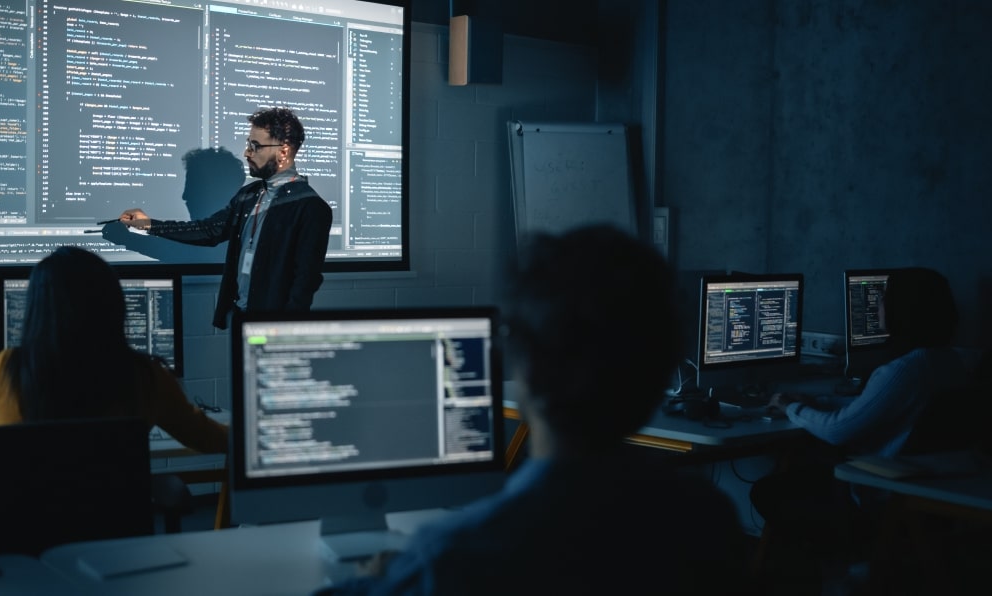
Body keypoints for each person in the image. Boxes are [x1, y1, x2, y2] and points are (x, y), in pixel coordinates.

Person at [315, 224, 752, 595]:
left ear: (527, 368)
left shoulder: (457, 556)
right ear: (661, 373)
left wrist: (380, 580)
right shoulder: (707, 519)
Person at [750, 266, 967, 587]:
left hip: (874, 493)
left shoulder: (904, 370)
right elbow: (874, 407)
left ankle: (838, 573)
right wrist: (818, 403)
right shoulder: (949, 361)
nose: (878, 306)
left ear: (901, 311)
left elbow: (838, 431)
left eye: (884, 299)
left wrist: (790, 407)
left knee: (770, 490)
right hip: (919, 487)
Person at [0, 246, 227, 455]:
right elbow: (210, 439)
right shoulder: (146, 377)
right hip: (112, 504)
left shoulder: (4, 369)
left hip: (22, 504)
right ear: (114, 304)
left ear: (36, 309)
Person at [117, 107, 332, 329]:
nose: (247, 153)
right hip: (239, 316)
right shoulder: (249, 195)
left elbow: (305, 282)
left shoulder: (310, 208)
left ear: (283, 152)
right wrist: (149, 225)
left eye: (255, 146)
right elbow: (209, 230)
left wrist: (286, 332)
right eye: (248, 144)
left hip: (273, 326)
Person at [102, 146, 246, 264]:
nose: (185, 195)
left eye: (193, 186)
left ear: (215, 190)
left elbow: (191, 252)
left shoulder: (233, 235)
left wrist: (131, 238)